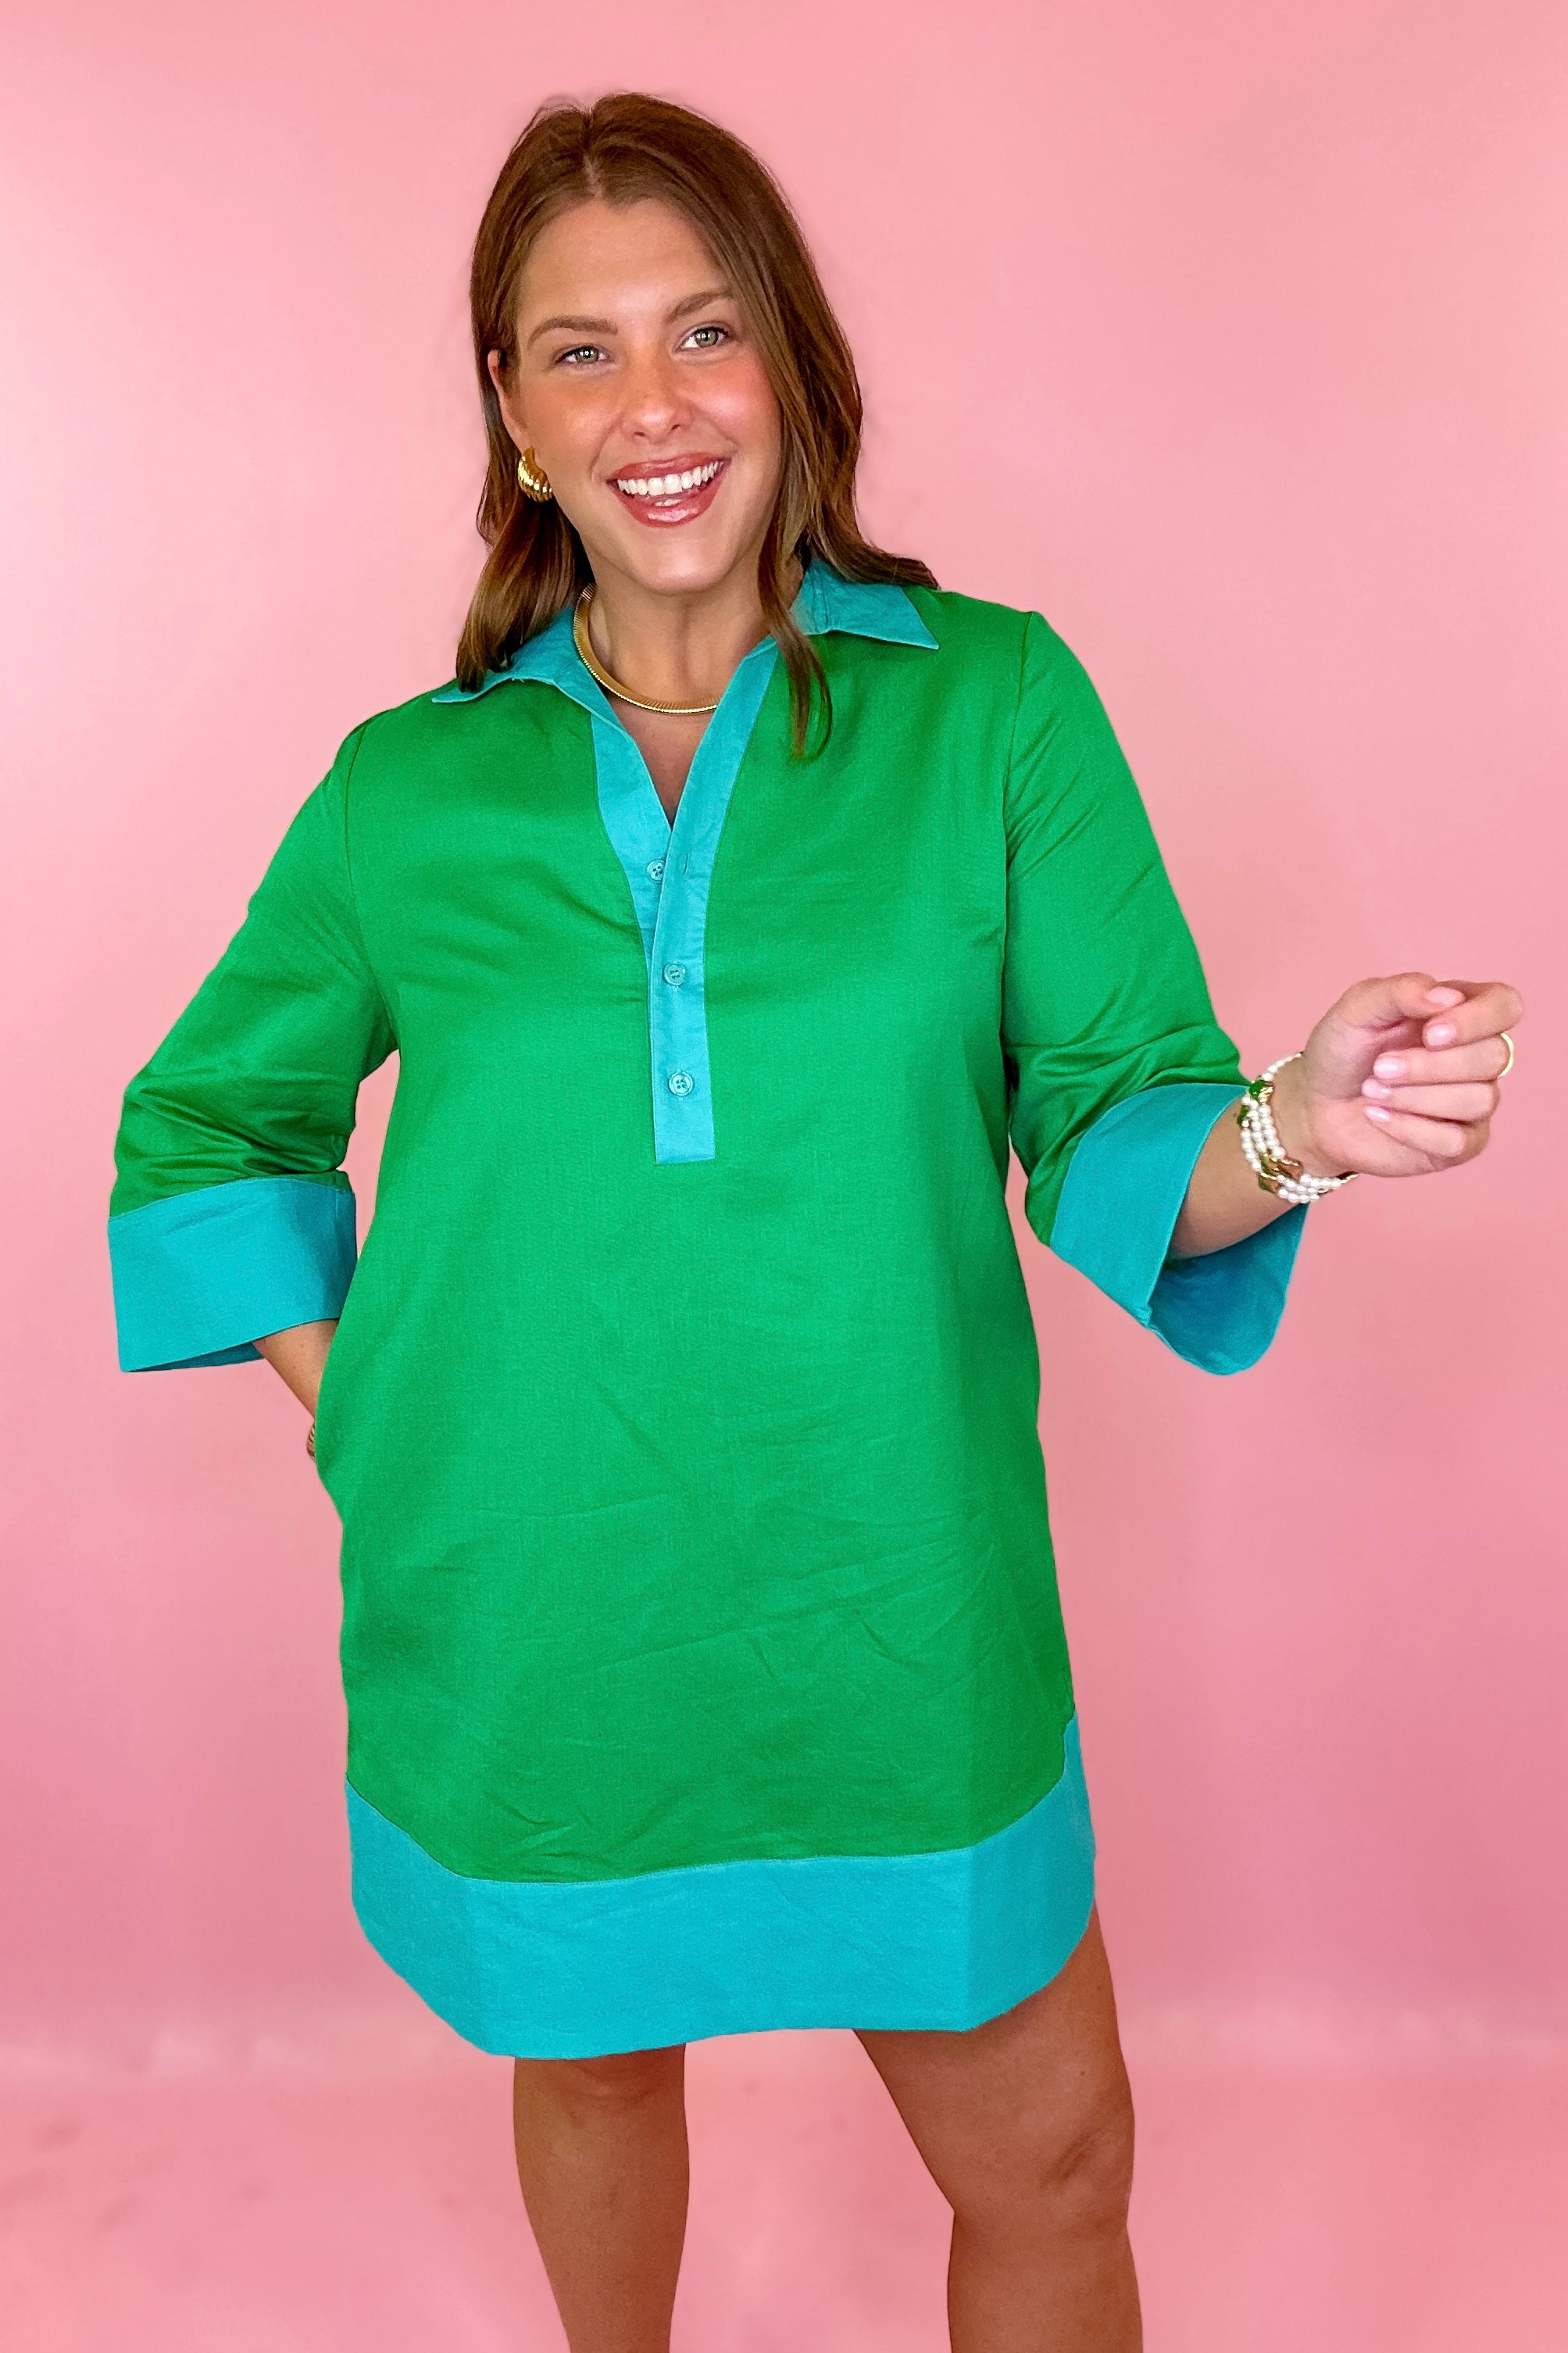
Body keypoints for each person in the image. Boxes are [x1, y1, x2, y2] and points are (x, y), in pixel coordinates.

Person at [107, 91, 1521, 2353]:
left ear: (793, 362)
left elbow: (1120, 1112)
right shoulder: (409, 789)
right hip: (539, 1622)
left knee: (1053, 2157)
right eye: (581, 352)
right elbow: (207, 1126)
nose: (655, 407)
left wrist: (1303, 1125)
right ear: (513, 412)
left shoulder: (995, 707)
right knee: (592, 2068)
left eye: (707, 331)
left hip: (899, 1608)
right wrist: (370, 1402)